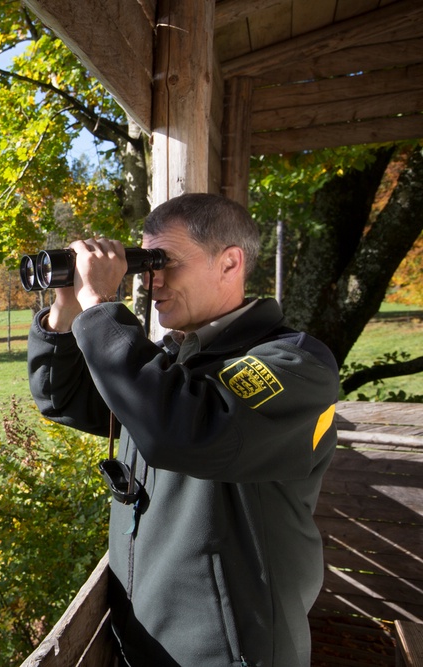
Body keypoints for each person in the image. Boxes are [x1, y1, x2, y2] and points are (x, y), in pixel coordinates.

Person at [27, 193, 339, 666]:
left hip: (229, 648)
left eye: (165, 262)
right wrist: (68, 308)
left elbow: (186, 430)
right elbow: (64, 398)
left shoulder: (297, 363)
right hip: (144, 637)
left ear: (230, 263)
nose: (153, 280)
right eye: (146, 263)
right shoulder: (168, 362)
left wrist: (100, 308)